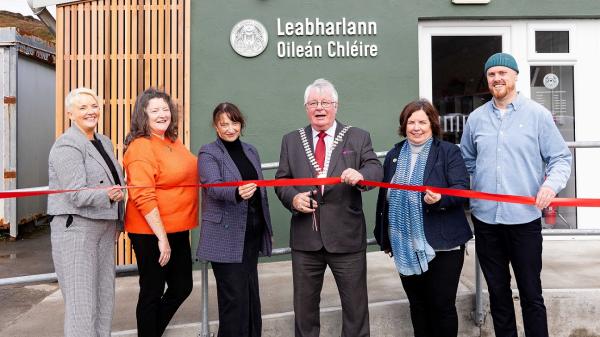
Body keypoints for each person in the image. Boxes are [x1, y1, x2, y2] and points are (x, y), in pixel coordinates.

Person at [460, 52, 572, 337]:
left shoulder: (537, 116)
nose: (497, 78)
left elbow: (560, 158)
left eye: (502, 73)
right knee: (498, 295)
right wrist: (476, 187)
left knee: (531, 294)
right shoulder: (476, 119)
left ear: (515, 76)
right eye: (492, 74)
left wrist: (549, 186)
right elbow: (466, 161)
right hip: (486, 221)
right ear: (488, 80)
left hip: (524, 222)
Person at [275, 78, 383, 337]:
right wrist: (293, 199)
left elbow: (375, 169)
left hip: (346, 238)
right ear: (306, 107)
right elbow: (281, 181)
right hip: (305, 239)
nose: (319, 108)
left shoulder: (358, 136)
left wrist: (360, 175)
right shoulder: (291, 140)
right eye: (313, 103)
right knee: (304, 310)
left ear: (336, 106)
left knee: (356, 308)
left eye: (325, 102)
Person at [374, 99, 472, 337]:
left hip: (443, 244)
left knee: (441, 306)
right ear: (404, 125)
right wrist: (386, 239)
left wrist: (440, 200)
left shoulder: (448, 152)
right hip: (404, 244)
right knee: (418, 306)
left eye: (422, 122)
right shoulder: (394, 155)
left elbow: (462, 190)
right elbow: (383, 198)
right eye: (411, 122)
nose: (416, 127)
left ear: (432, 124)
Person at [47, 87, 125, 337]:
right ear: (70, 113)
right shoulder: (66, 145)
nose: (91, 111)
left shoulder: (104, 141)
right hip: (77, 229)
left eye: (94, 106)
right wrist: (107, 196)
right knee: (81, 302)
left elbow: (115, 178)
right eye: (83, 108)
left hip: (104, 226)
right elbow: (76, 193)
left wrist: (118, 219)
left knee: (104, 298)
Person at [124, 88, 198, 337]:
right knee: (152, 291)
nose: (162, 114)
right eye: (154, 110)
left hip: (177, 228)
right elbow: (143, 195)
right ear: (142, 115)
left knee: (182, 286)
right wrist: (162, 238)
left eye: (165, 109)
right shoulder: (140, 147)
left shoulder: (172, 141)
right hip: (150, 232)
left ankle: (152, 332)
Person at [196, 102, 273, 337]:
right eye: (224, 124)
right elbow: (213, 186)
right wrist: (236, 193)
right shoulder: (208, 152)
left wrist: (266, 226)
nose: (230, 128)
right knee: (234, 301)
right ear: (216, 127)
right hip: (225, 236)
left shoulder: (251, 151)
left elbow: (261, 192)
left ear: (241, 124)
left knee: (250, 295)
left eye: (234, 123)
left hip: (250, 234)